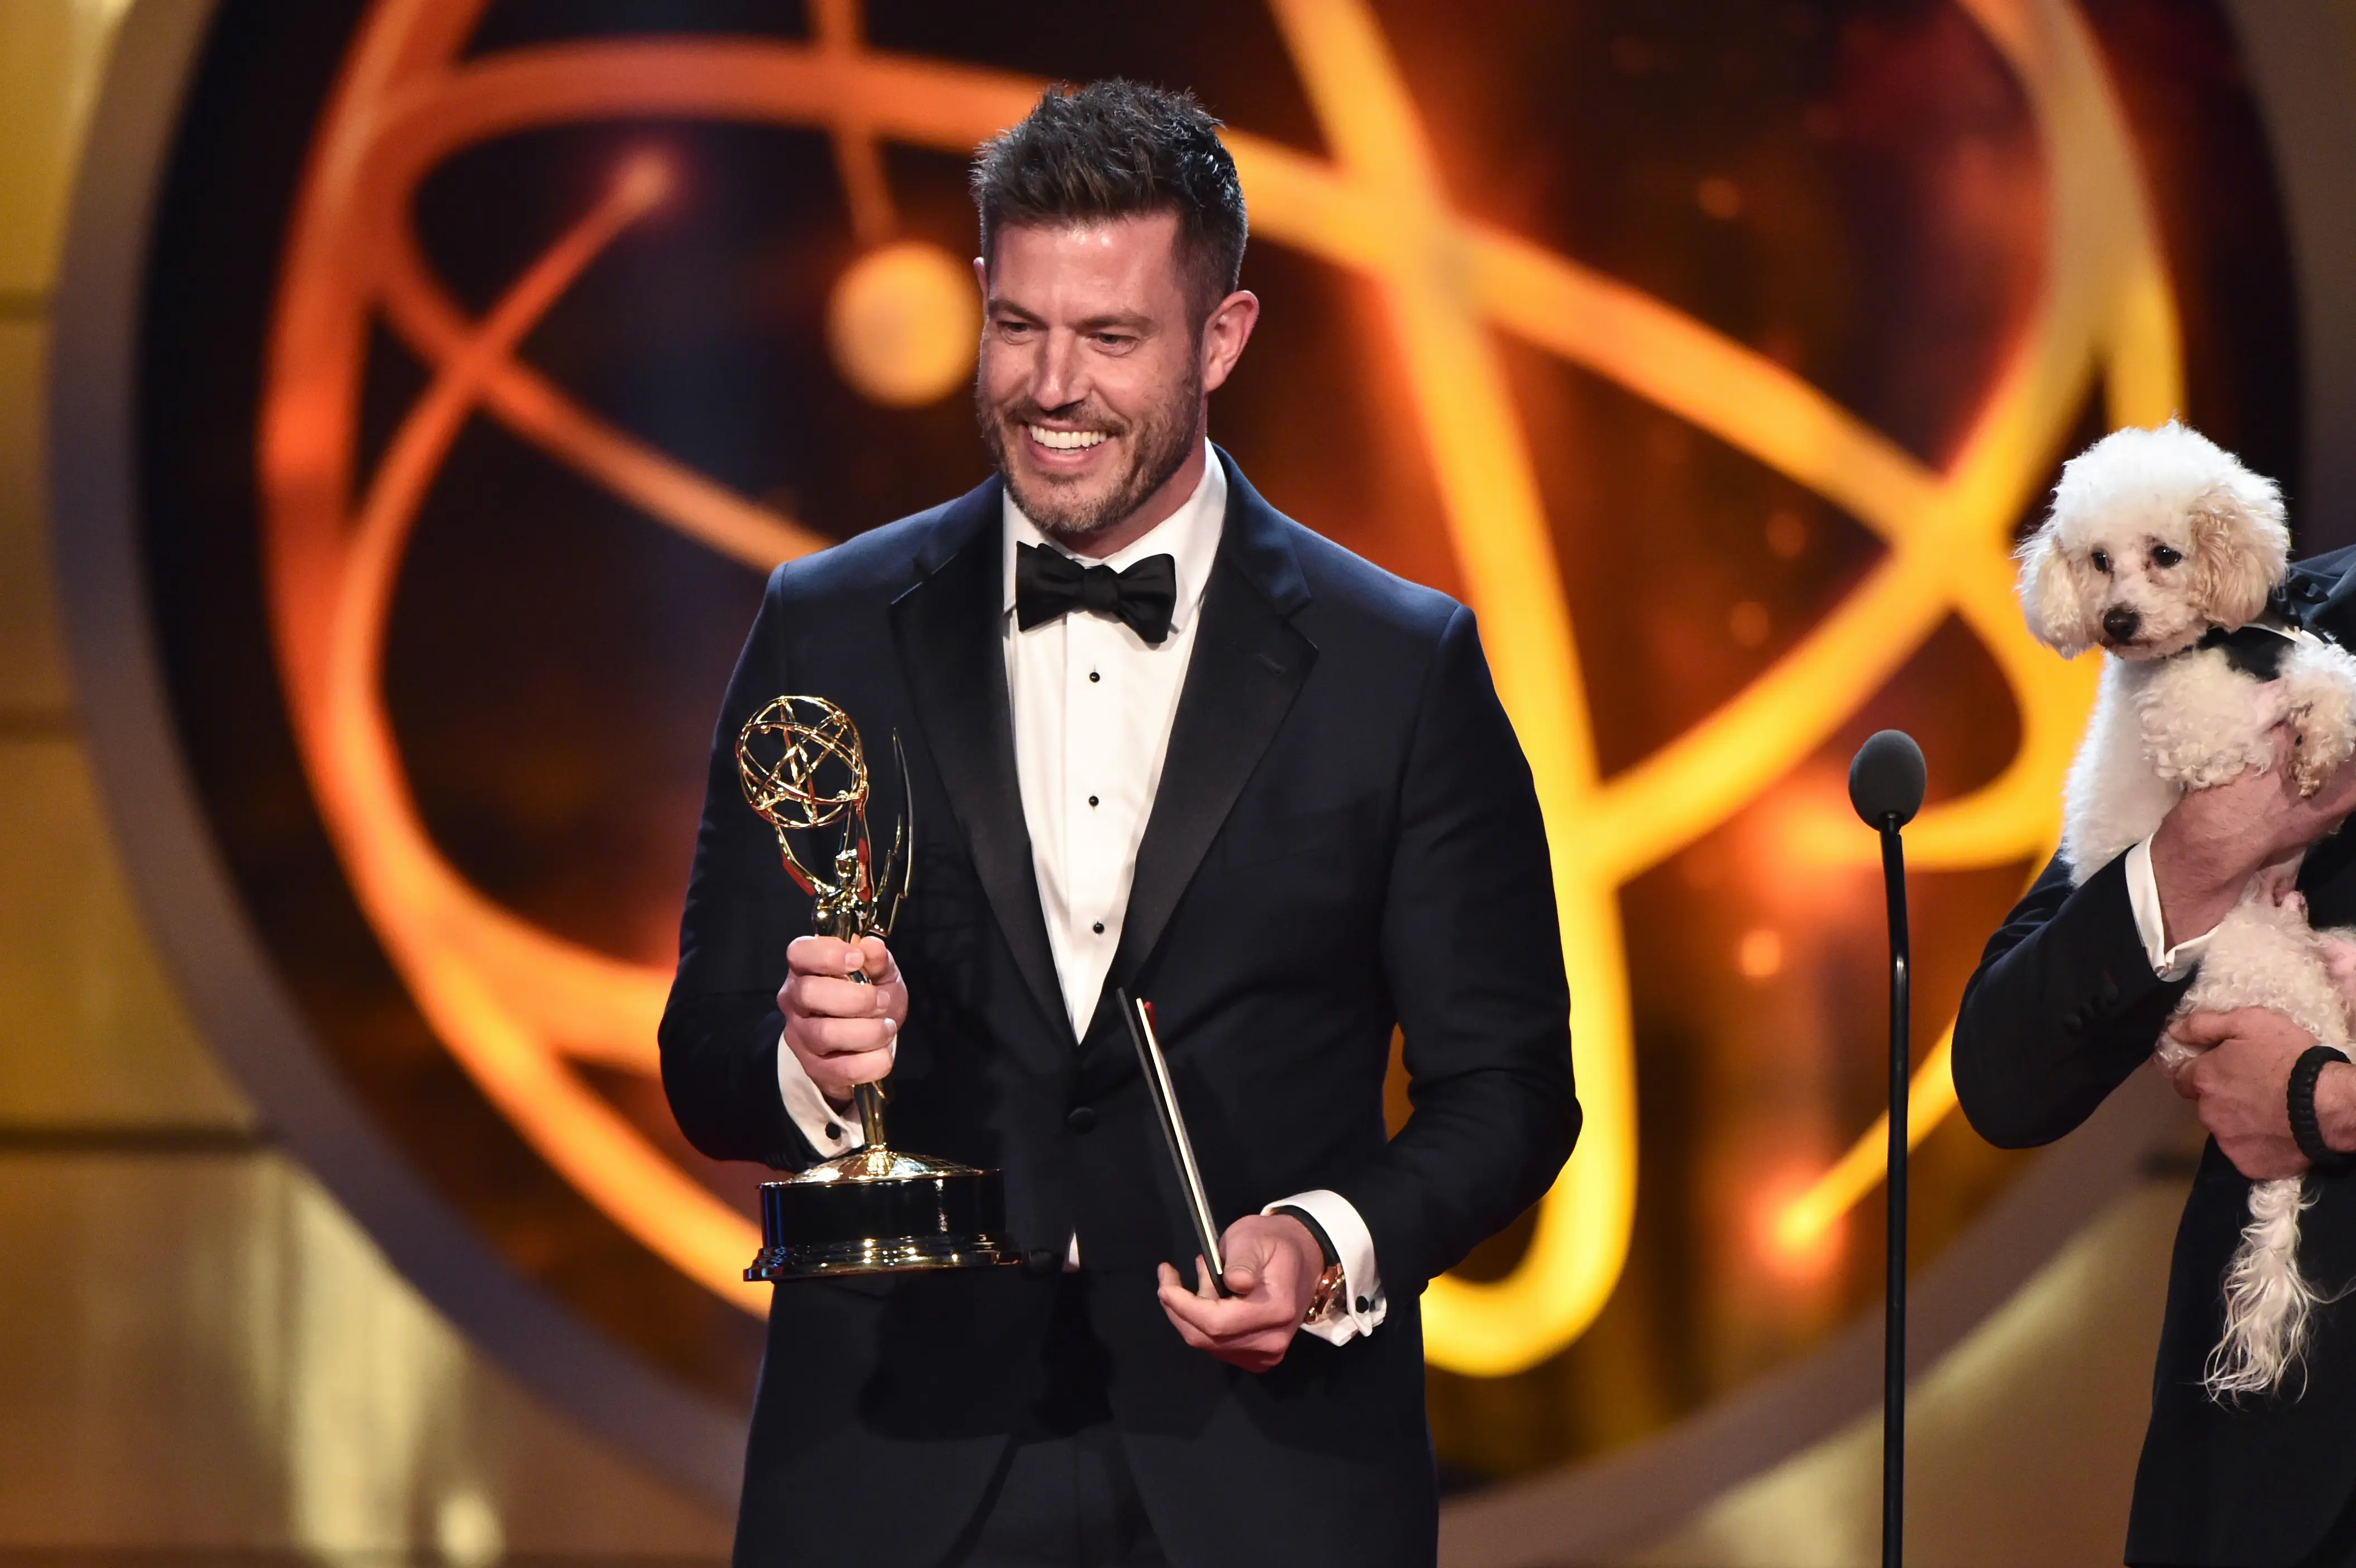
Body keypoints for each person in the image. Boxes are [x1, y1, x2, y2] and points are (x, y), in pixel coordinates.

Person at [659, 80, 1579, 1568]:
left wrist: (1331, 1243)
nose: (1051, 388)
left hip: (1267, 1483)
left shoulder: (1397, 665)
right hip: (891, 1474)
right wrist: (811, 1070)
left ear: (1222, 338)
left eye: (1110, 338)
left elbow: (1511, 1090)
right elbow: (703, 1061)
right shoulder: (825, 627)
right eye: (1019, 327)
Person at [1955, 549, 2356, 1568]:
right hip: (2272, 1458)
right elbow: (2006, 1069)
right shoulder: (2262, 627)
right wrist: (2194, 856)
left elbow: (2314, 1102)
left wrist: (2325, 1102)